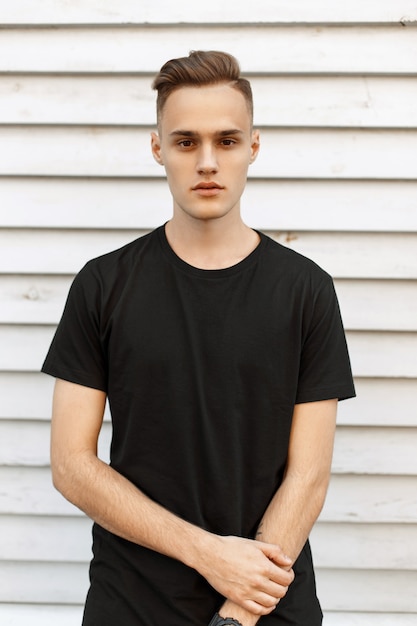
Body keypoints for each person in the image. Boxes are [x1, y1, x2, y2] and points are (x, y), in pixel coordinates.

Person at [42, 50, 355, 626]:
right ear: (158, 148)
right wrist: (209, 555)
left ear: (253, 147)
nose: (207, 162)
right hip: (132, 603)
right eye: (186, 142)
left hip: (267, 600)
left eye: (227, 141)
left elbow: (308, 475)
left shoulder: (305, 289)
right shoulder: (103, 284)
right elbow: (71, 464)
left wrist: (237, 610)